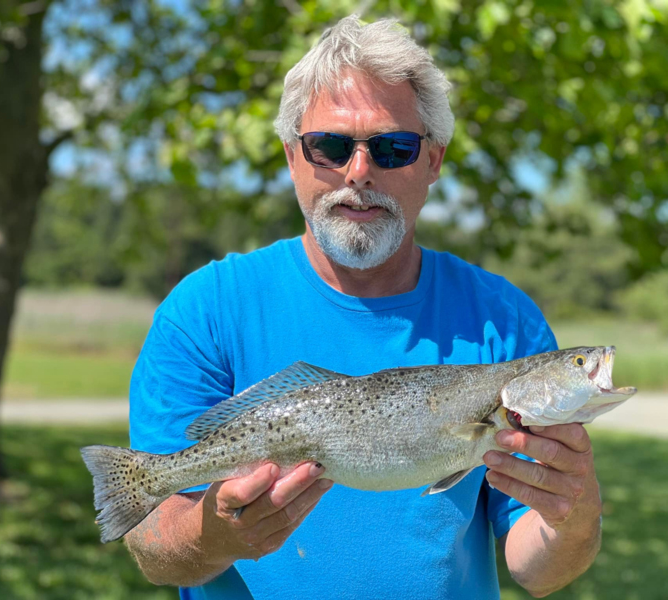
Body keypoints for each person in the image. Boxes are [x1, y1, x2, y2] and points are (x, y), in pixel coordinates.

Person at [125, 15, 603, 600]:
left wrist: (575, 515)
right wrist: (218, 536)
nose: (359, 172)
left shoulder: (505, 320)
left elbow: (536, 571)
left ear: (433, 162)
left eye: (392, 147)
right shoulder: (203, 309)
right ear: (291, 156)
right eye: (328, 145)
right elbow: (153, 549)